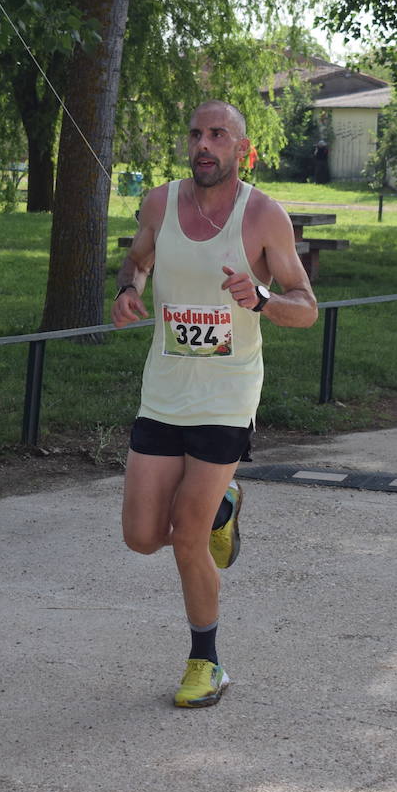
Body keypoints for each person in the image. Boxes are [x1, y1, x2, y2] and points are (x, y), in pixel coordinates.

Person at [111, 100, 318, 707]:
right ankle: (226, 504)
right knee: (142, 536)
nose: (205, 143)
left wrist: (259, 299)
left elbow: (306, 307)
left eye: (219, 134)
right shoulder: (158, 202)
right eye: (197, 133)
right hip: (165, 391)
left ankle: (208, 661)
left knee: (185, 537)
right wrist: (129, 289)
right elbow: (138, 257)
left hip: (228, 396)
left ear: (241, 150)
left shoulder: (263, 216)